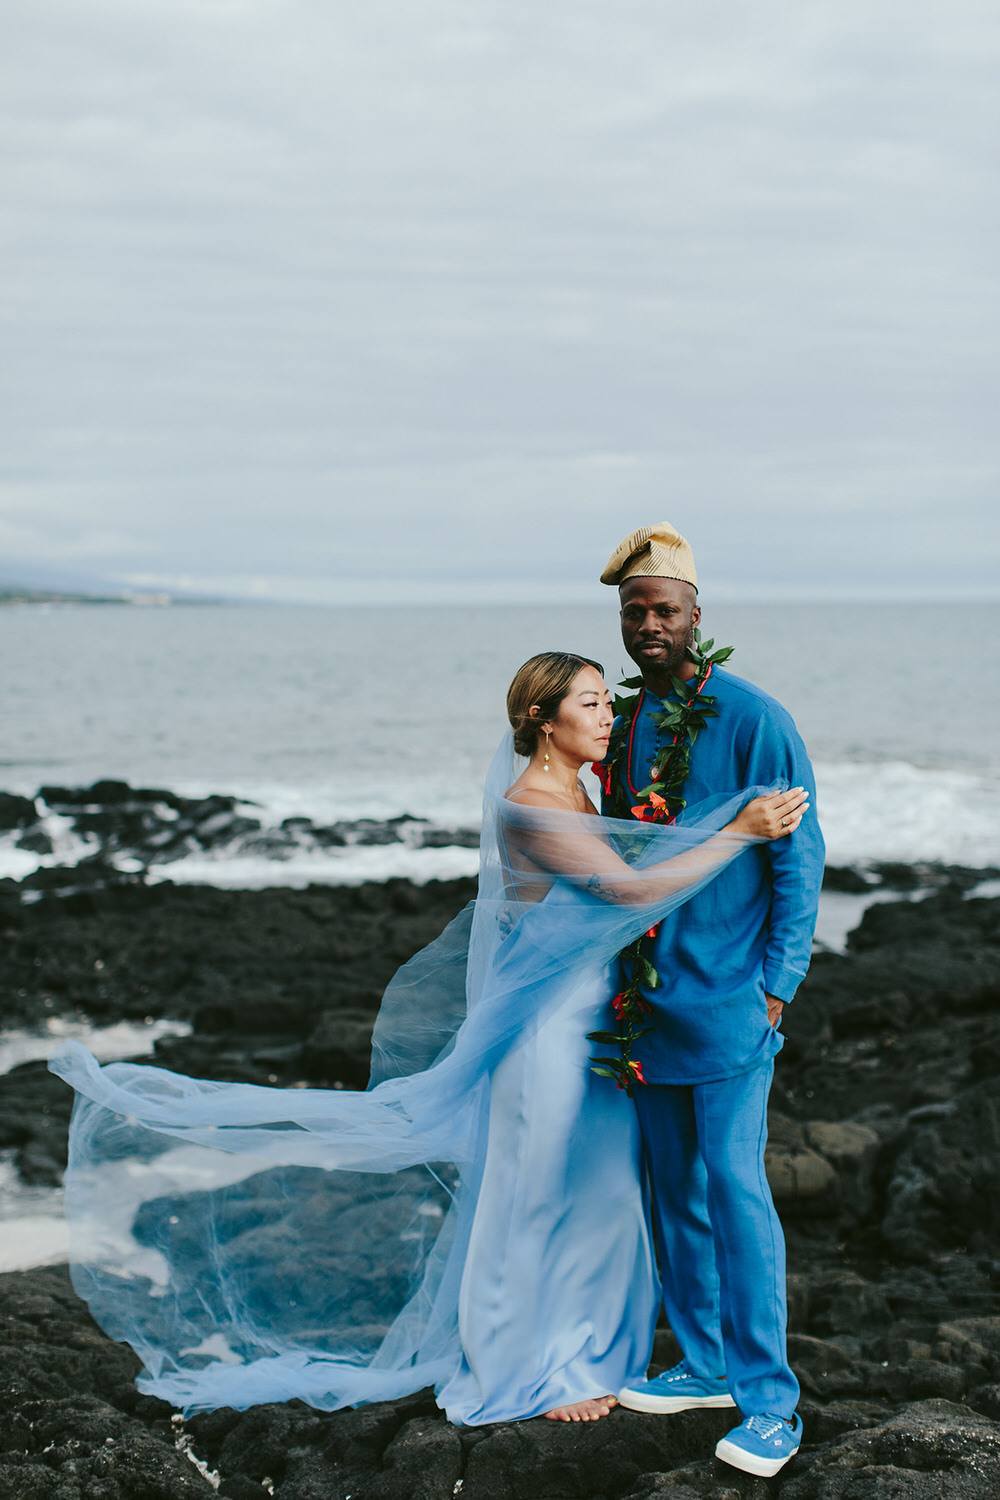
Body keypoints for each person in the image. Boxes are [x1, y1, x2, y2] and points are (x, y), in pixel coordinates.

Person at [47, 652, 807, 1430]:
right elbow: (629, 890)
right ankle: (521, 1370)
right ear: (545, 721)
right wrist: (740, 832)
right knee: (533, 1194)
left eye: (605, 702)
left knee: (607, 1195)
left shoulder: (583, 789)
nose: (610, 713)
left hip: (607, 1029)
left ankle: (594, 1356)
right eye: (590, 703)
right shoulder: (530, 808)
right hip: (546, 1032)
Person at [599, 522, 825, 1479]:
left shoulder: (753, 716)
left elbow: (800, 857)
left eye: (665, 610)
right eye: (635, 612)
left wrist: (778, 984)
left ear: (698, 617)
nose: (650, 625)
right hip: (644, 1009)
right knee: (669, 1194)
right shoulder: (617, 723)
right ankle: (702, 1360)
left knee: (735, 1192)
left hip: (735, 1002)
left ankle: (772, 1402)